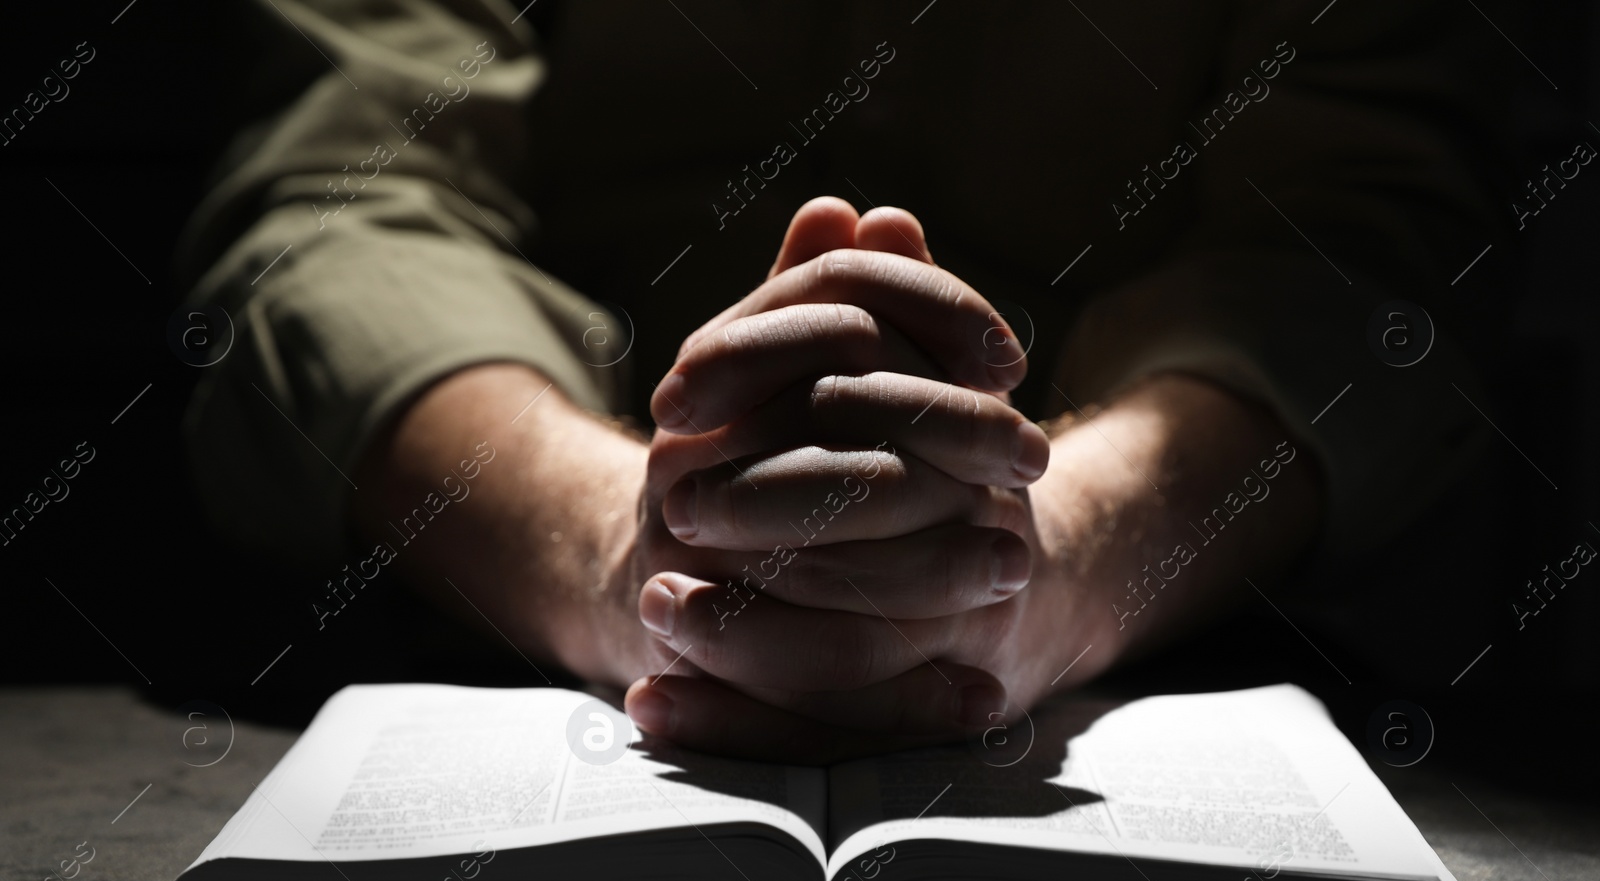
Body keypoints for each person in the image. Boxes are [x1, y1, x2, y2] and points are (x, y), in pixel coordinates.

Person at [179, 0, 1509, 761]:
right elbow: (341, 213)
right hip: (461, 627)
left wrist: (1063, 552)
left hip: (1219, 646)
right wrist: (610, 543)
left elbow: (1365, 261)